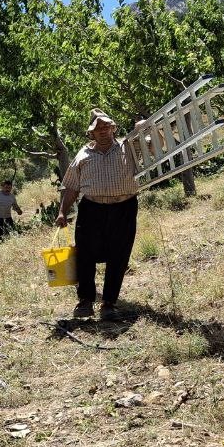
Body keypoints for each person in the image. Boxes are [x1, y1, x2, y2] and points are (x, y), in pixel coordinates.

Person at [55, 109, 149, 320]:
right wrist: (62, 211)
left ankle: (109, 304)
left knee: (119, 255)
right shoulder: (83, 155)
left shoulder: (129, 146)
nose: (104, 131)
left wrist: (143, 126)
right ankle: (86, 301)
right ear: (91, 134)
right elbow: (71, 186)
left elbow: (155, 144)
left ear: (114, 129)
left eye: (107, 126)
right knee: (85, 253)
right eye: (99, 128)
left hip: (124, 207)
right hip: (92, 209)